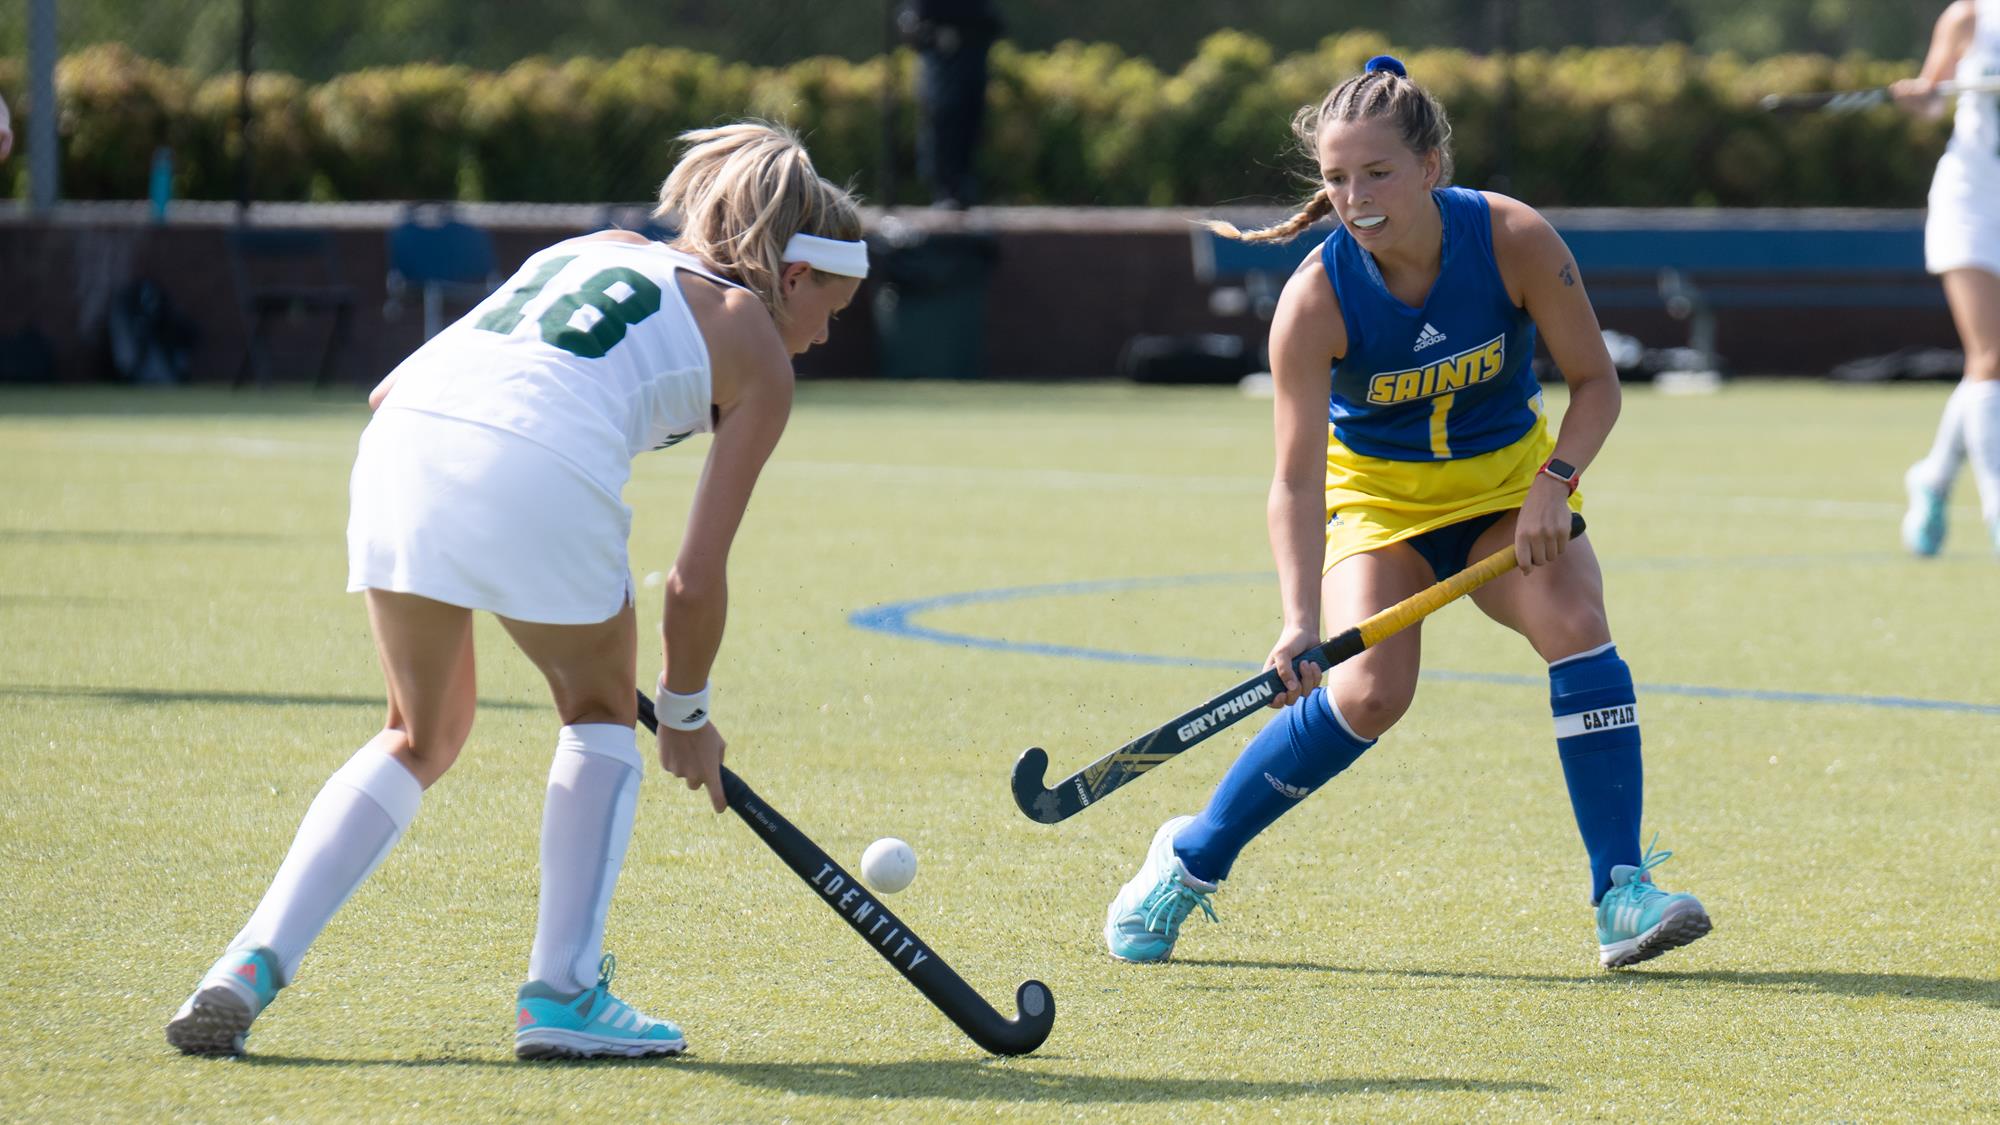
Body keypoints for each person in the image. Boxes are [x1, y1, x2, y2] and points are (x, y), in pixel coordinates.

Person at [165, 122, 866, 1059]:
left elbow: (389, 390)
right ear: (791, 276)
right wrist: (689, 712)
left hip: (403, 444)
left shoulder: (593, 249)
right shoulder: (760, 354)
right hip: (540, 464)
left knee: (419, 732)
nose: (826, 333)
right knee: (599, 711)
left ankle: (248, 963)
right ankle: (564, 993)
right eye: (833, 306)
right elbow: (695, 578)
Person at [1103, 56, 1710, 971]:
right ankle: (1190, 859)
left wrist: (1557, 478)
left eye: (1377, 172)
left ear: (1432, 167)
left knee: (1579, 627)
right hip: (1381, 508)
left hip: (1509, 492)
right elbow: (1297, 481)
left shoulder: (1513, 239)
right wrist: (1299, 620)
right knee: (1369, 693)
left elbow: (1596, 382)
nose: (1356, 196)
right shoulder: (1315, 298)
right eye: (1338, 178)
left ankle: (1621, 893)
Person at [1895, 0, 2000, 556]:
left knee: (1989, 362)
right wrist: (1919, 95)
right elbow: (1932, 102)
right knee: (1990, 357)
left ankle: (1933, 476)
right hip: (1973, 206)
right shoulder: (1970, 17)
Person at [899, 0, 1002, 208]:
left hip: (974, 40)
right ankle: (945, 189)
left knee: (970, 115)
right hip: (940, 42)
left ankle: (964, 188)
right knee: (943, 112)